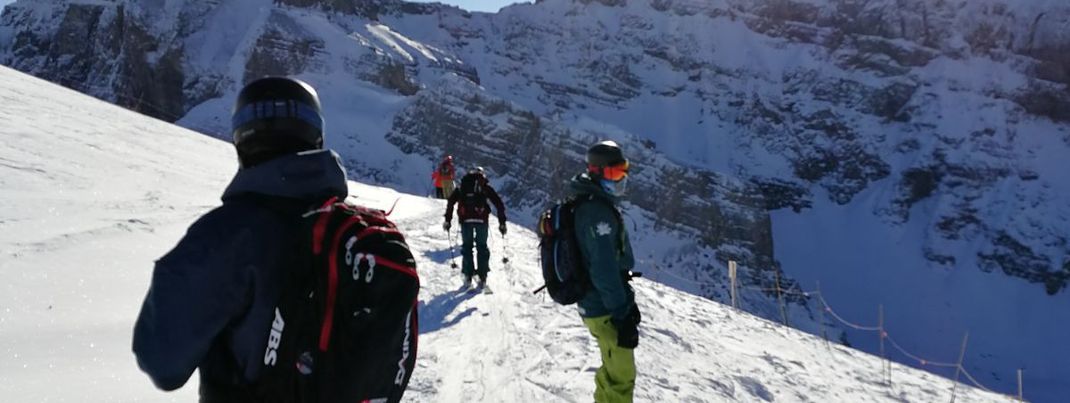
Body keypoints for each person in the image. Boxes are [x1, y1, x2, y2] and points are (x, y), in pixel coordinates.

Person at [132, 77, 417, 402]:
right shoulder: (346, 233)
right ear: (316, 136)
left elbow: (162, 361)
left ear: (241, 140)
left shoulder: (225, 235)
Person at [572, 140, 640, 403]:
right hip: (603, 308)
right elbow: (603, 270)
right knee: (620, 377)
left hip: (601, 303)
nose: (620, 178)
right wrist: (622, 314)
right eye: (614, 173)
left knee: (612, 372)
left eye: (623, 170)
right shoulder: (597, 213)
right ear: (596, 173)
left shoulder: (593, 204)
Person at [443, 166, 507, 289]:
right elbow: (499, 203)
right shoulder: (484, 187)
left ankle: (468, 276)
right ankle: (482, 277)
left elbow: (451, 201)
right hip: (482, 221)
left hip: (466, 221)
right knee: (482, 247)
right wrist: (502, 222)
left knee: (467, 247)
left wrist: (448, 220)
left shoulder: (463, 186)